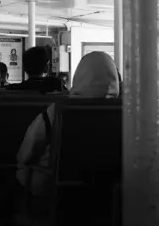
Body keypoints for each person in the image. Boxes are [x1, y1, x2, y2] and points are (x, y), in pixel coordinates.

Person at [16, 52, 120, 195]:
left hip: (55, 190)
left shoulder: (56, 111)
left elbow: (26, 153)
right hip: (111, 193)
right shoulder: (125, 115)